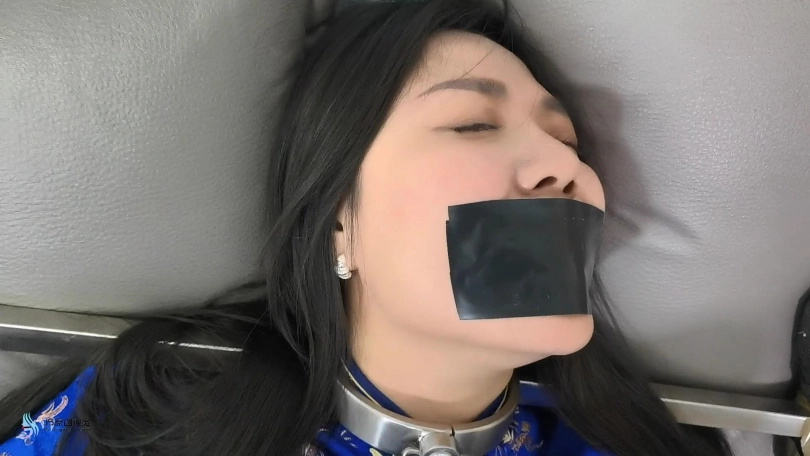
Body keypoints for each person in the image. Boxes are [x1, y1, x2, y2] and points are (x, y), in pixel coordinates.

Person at [0, 0, 734, 455]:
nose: (565, 169)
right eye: (472, 124)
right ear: (337, 222)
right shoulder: (132, 422)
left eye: (568, 141)